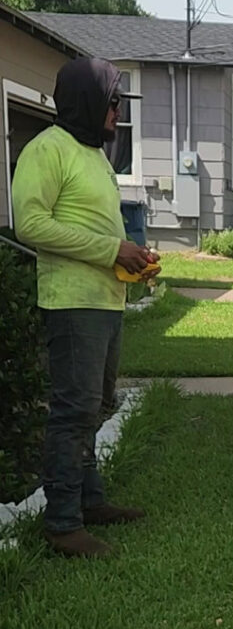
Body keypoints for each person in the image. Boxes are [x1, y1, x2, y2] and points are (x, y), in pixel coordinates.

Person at [12, 57, 158, 558]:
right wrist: (111, 249)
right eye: (113, 102)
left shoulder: (91, 153)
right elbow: (29, 224)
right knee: (73, 411)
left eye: (118, 103)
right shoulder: (46, 150)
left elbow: (98, 228)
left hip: (105, 298)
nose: (117, 112)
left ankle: (90, 501)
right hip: (72, 303)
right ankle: (63, 524)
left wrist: (132, 258)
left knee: (96, 405)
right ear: (87, 101)